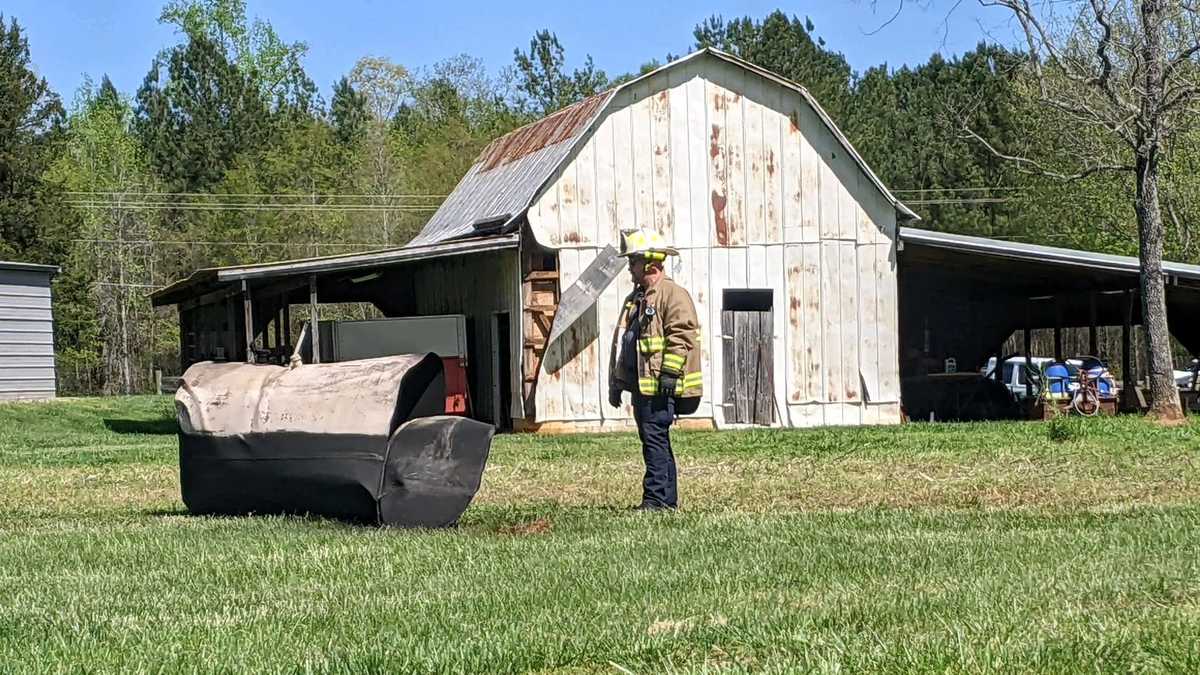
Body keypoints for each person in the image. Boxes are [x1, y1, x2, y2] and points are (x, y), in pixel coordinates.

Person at [607, 229, 703, 510]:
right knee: (654, 441)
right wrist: (618, 384)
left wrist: (670, 375)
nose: (629, 268)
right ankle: (664, 501)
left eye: (633, 262)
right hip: (643, 387)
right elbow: (627, 345)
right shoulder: (638, 298)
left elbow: (682, 335)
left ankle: (657, 501)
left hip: (660, 386)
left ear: (649, 264)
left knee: (655, 441)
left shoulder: (672, 295)